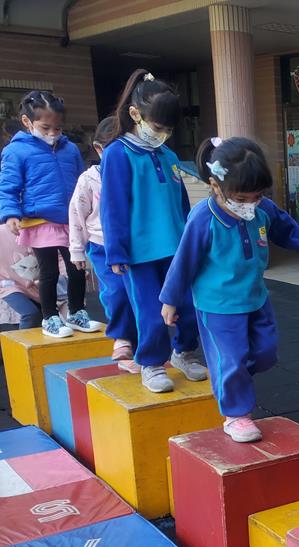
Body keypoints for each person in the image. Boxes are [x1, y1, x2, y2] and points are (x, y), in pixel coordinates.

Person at [160, 137, 299, 443]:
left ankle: (230, 374)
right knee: (231, 359)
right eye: (242, 198)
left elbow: (288, 230)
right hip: (218, 305)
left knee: (265, 353)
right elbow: (184, 261)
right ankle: (236, 414)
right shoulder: (204, 218)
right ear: (216, 186)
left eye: (257, 197)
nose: (250, 204)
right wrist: (170, 300)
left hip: (255, 298)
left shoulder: (262, 210)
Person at [100, 69, 207, 392]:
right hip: (139, 253)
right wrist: (116, 251)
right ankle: (151, 362)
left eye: (169, 130)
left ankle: (184, 352)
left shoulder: (168, 155)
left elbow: (182, 203)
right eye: (158, 127)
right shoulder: (118, 153)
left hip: (176, 249)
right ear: (135, 114)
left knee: (188, 306)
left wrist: (192, 242)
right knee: (149, 312)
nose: (163, 134)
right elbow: (113, 206)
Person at [0, 90, 102, 338]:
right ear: (27, 122)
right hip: (39, 221)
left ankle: (76, 312)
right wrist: (11, 214)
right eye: (45, 127)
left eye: (58, 128)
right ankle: (50, 318)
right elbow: (8, 185)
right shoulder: (16, 151)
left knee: (77, 267)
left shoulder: (70, 150)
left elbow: (81, 184)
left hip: (69, 220)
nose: (53, 133)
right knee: (49, 271)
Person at [69, 116, 140, 372]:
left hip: (134, 245)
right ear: (99, 149)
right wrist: (77, 249)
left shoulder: (135, 173)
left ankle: (141, 349)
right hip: (102, 246)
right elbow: (76, 214)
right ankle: (122, 337)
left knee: (139, 297)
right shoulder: (89, 179)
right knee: (116, 292)